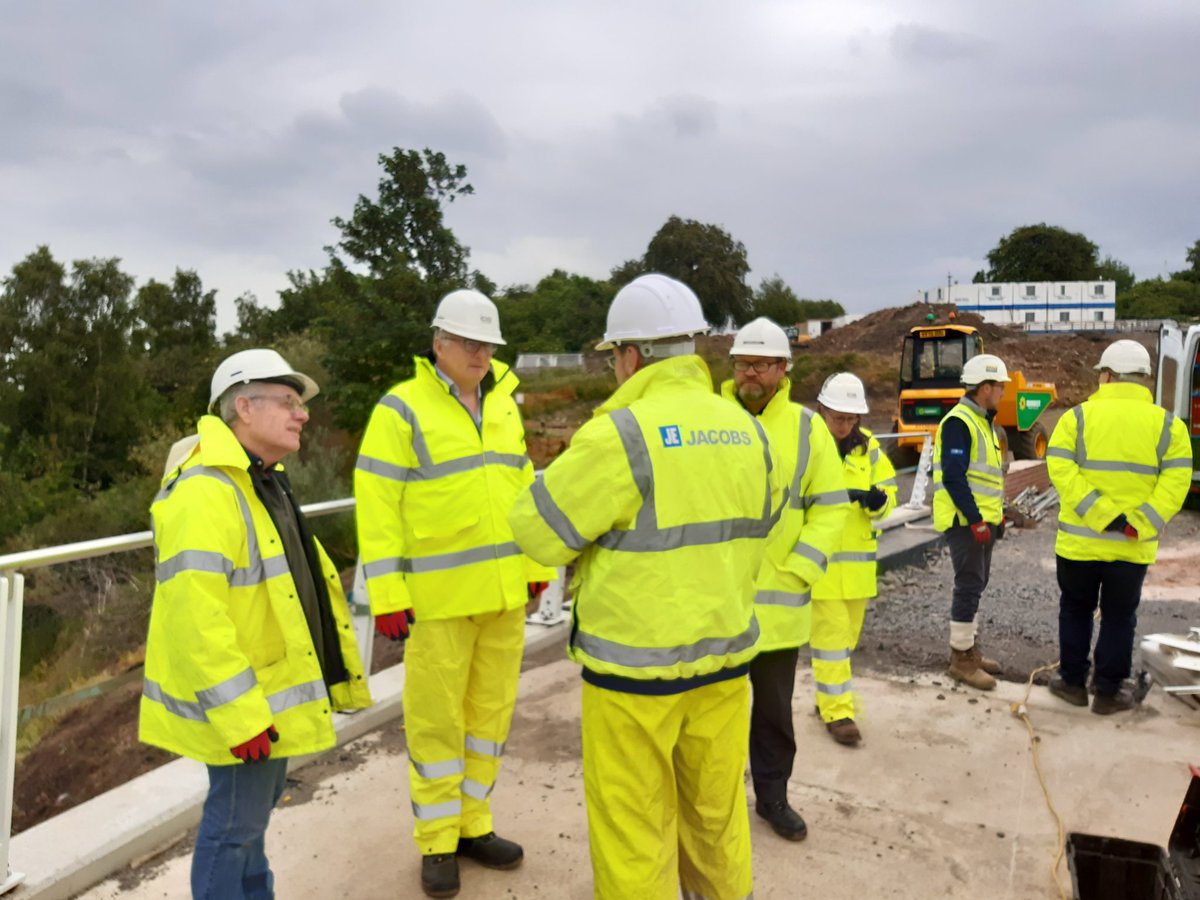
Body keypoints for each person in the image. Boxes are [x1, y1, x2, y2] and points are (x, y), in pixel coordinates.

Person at [509, 275, 787, 900]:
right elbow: (761, 524)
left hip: (632, 675)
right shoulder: (750, 431)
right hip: (723, 664)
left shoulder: (622, 434)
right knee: (717, 818)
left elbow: (539, 533)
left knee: (635, 830)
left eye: (613, 357)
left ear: (631, 356)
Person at [139, 349, 372, 900]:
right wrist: (239, 715)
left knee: (251, 822)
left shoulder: (260, 480)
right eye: (289, 402)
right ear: (243, 407)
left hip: (268, 694)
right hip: (243, 706)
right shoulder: (205, 491)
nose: (303, 415)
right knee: (234, 828)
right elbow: (195, 617)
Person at [354, 289, 555, 898]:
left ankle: (475, 825)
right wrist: (386, 593)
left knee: (489, 719)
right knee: (437, 724)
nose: (479, 353)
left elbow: (520, 487)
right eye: (468, 342)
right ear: (437, 342)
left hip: (502, 598)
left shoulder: (504, 405)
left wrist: (534, 558)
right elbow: (377, 502)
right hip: (438, 602)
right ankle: (437, 842)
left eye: (487, 344)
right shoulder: (402, 409)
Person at [719, 317, 847, 836]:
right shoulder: (708, 419)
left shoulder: (806, 427)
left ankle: (772, 798)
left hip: (777, 606)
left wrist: (802, 568)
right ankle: (718, 804)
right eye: (743, 362)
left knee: (773, 717)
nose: (751, 372)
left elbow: (831, 506)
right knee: (714, 720)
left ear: (783, 369)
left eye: (762, 363)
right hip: (717, 603)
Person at [1046, 339, 1192, 713]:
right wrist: (1138, 522)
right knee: (1119, 617)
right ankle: (1109, 694)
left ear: (1107, 375)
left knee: (1076, 609)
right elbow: (1176, 483)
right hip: (1130, 546)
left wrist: (1098, 513)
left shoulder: (1075, 419)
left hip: (1079, 545)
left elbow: (1060, 468)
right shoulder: (1169, 426)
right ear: (1143, 378)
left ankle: (1073, 684)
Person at [811, 372, 897, 745]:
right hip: (823, 565)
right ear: (822, 411)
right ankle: (838, 712)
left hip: (859, 567)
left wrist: (880, 502)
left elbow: (890, 489)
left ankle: (828, 693)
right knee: (830, 640)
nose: (844, 426)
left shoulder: (870, 449)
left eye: (850, 419)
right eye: (837, 418)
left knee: (847, 639)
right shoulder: (809, 445)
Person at [932, 353, 1009, 691]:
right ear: (985, 387)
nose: (1004, 392)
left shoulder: (982, 422)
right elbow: (954, 476)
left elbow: (988, 480)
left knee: (977, 584)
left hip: (982, 521)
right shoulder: (959, 422)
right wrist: (976, 520)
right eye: (1000, 387)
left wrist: (997, 516)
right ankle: (961, 660)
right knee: (968, 584)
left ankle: (968, 650)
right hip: (965, 522)